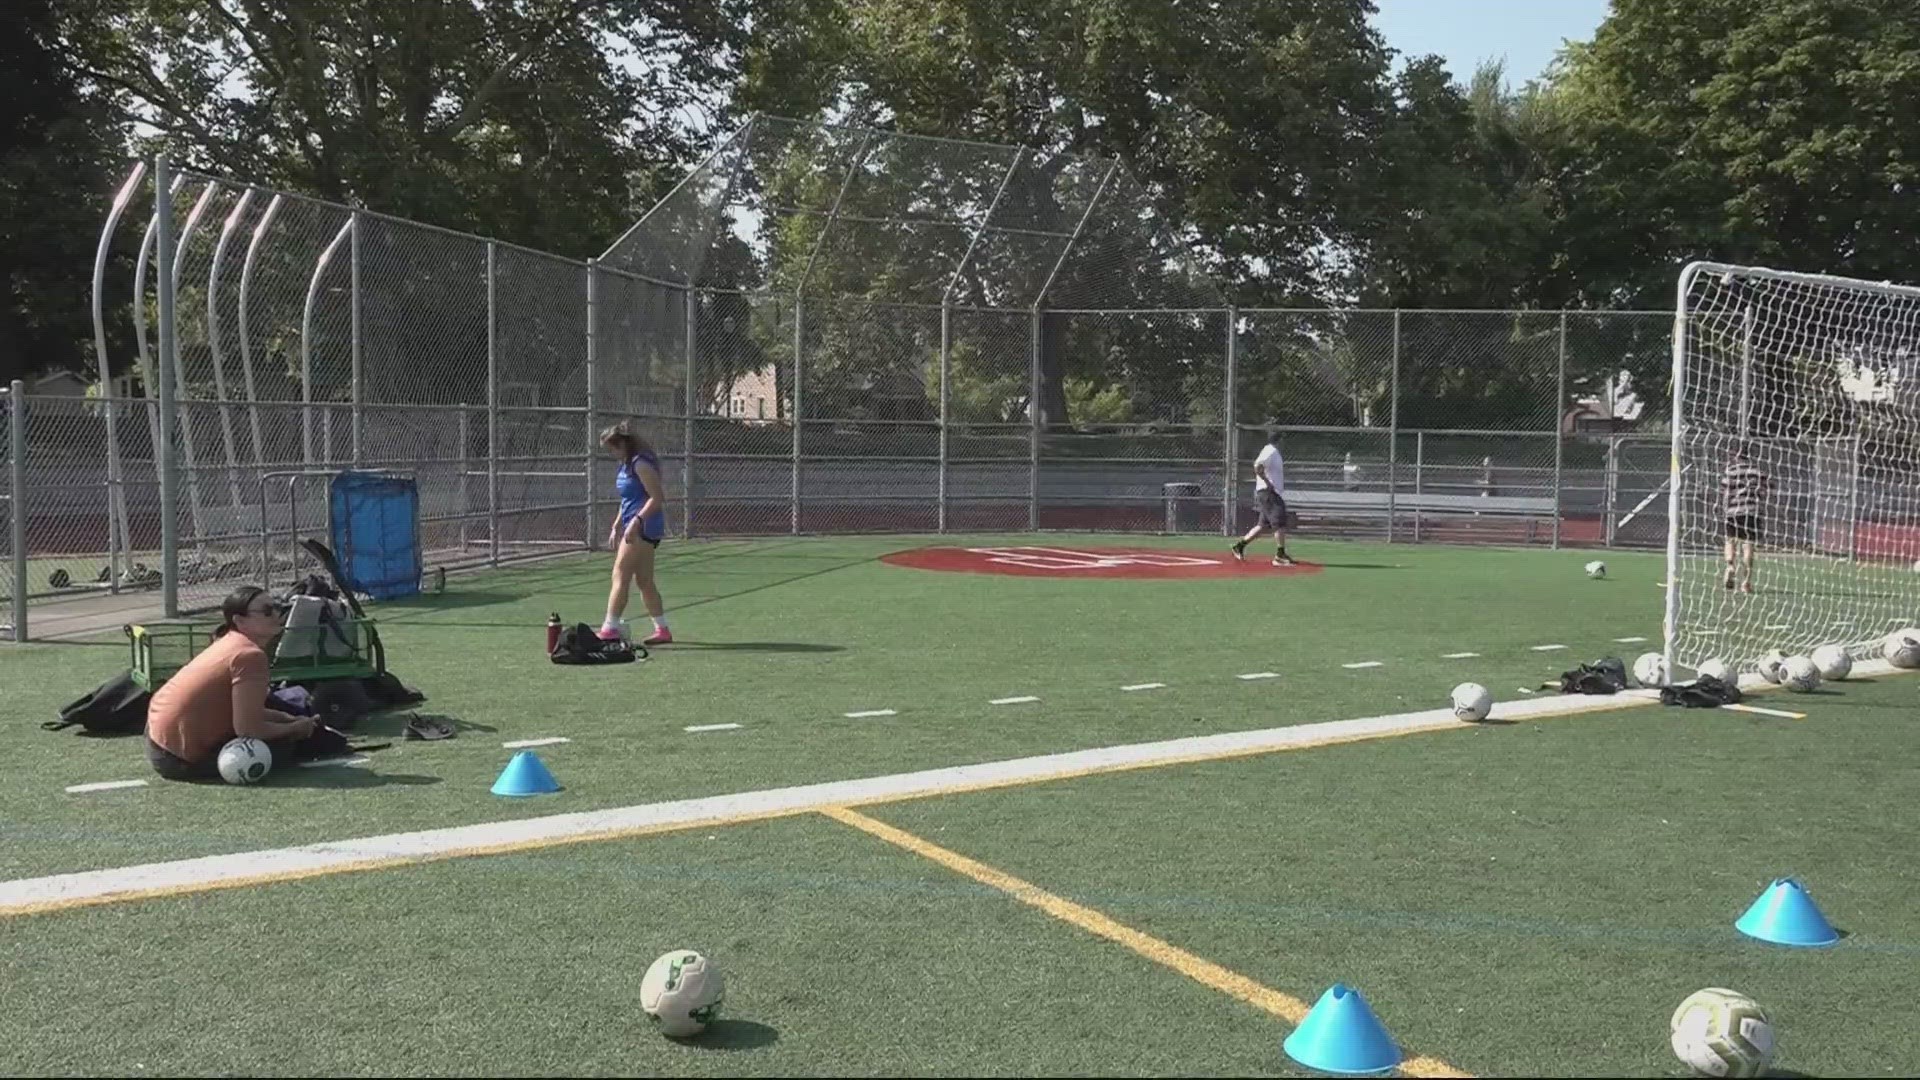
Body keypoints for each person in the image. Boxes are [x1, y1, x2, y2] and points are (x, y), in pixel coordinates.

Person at [143, 585, 320, 781]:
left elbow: (245, 712)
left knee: (283, 732)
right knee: (285, 745)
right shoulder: (249, 655)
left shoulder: (229, 641)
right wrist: (295, 729)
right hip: (178, 759)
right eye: (267, 610)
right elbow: (249, 729)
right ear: (239, 620)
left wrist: (288, 718)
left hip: (156, 738)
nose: (277, 613)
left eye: (278, 607)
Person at [599, 419, 671, 645]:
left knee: (620, 573)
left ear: (622, 445)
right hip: (633, 523)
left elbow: (657, 498)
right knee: (644, 581)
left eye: (612, 448)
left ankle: (610, 628)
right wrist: (617, 524)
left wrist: (636, 522)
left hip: (644, 527)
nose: (611, 453)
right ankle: (662, 630)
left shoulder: (641, 464)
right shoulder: (625, 464)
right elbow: (629, 498)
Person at [1232, 428, 1296, 566]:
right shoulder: (1270, 450)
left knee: (1262, 525)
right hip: (1269, 493)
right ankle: (1280, 555)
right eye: (1282, 438)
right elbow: (1258, 466)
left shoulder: (1273, 452)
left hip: (1268, 493)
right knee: (1280, 522)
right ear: (1278, 440)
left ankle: (1239, 546)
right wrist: (1267, 482)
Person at [1722, 448, 1769, 593]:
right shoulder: (1757, 472)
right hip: (1751, 511)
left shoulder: (1730, 471)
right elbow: (1765, 490)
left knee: (1730, 540)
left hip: (1733, 511)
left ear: (1736, 456)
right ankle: (1746, 583)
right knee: (1748, 545)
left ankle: (1730, 565)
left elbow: (1726, 492)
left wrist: (1725, 509)